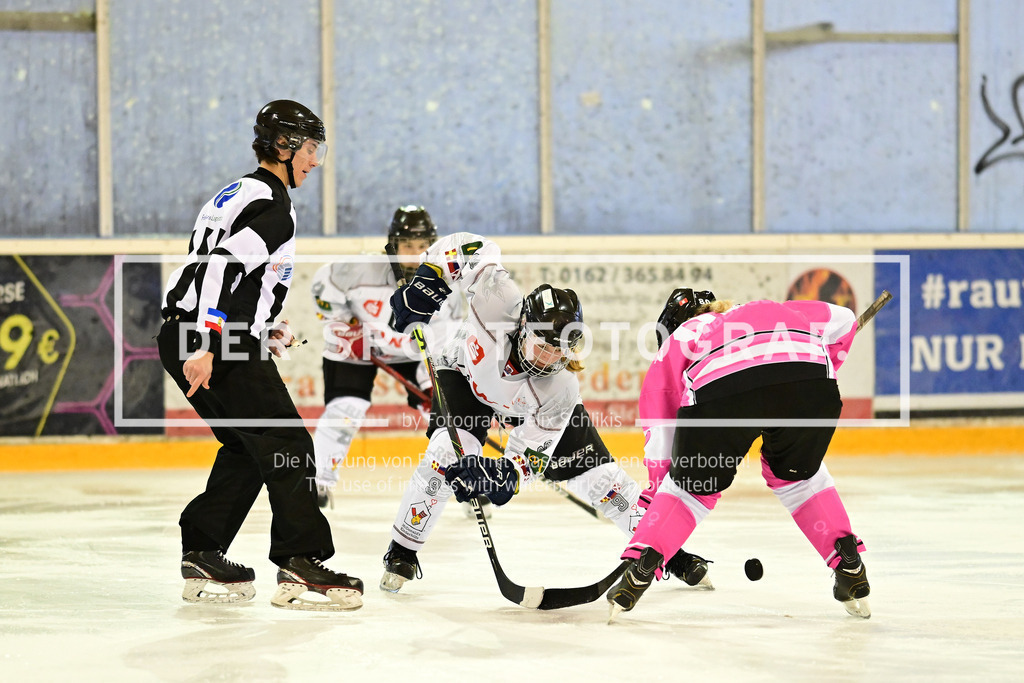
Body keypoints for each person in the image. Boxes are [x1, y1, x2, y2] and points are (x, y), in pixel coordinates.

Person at [377, 232, 711, 593]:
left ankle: (665, 550)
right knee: (445, 454)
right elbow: (475, 247)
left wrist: (500, 477)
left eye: (560, 350)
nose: (550, 358)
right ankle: (403, 551)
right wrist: (428, 277)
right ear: (523, 327)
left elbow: (528, 462)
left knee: (605, 481)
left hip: (527, 407)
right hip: (463, 377)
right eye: (543, 345)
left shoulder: (560, 387)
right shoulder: (498, 298)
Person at [157, 99, 363, 611]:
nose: (315, 161)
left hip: (188, 333)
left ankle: (203, 550)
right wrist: (210, 341)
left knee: (249, 448)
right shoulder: (273, 203)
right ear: (284, 146)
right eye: (310, 148)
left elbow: (219, 272)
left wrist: (260, 328)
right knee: (289, 445)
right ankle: (301, 562)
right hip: (213, 341)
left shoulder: (237, 192)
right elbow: (222, 267)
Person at [607, 288, 871, 621]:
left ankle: (642, 567)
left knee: (691, 489)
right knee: (799, 477)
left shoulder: (683, 335)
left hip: (725, 390)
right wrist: (813, 368)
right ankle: (849, 563)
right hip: (812, 381)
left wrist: (661, 491)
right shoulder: (776, 308)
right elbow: (844, 320)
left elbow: (661, 427)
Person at [309, 206, 464, 508]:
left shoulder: (446, 286)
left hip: (413, 351)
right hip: (361, 346)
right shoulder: (358, 269)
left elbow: (446, 339)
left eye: (423, 246)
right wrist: (346, 326)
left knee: (442, 411)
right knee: (346, 409)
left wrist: (434, 385)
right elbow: (321, 288)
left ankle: (463, 477)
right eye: (408, 245)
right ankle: (319, 482)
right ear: (393, 244)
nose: (415, 254)